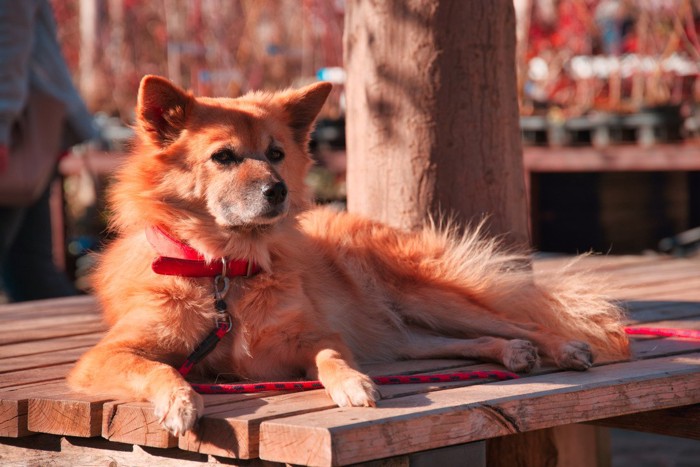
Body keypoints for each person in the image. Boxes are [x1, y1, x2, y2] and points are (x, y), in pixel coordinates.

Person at [0, 0, 100, 301]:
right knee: (29, 267)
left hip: (18, 134)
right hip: (28, 132)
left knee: (29, 268)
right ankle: (96, 343)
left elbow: (8, 45)